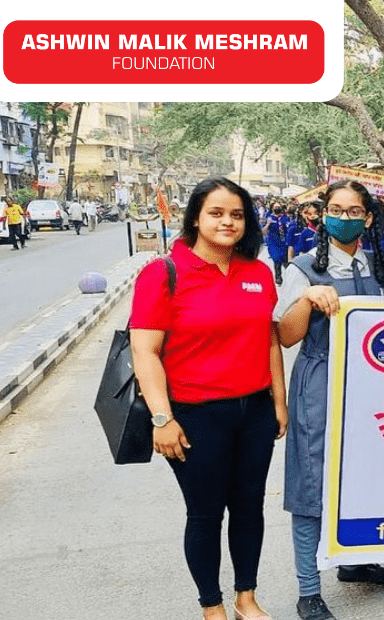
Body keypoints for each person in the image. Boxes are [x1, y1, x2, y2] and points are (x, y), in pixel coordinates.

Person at [129, 177, 287, 620]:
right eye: (216, 213)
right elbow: (145, 351)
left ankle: (246, 599)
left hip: (254, 410)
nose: (227, 222)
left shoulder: (256, 271)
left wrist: (279, 402)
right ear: (196, 217)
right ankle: (211, 606)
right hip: (195, 416)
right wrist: (162, 419)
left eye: (237, 214)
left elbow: (270, 341)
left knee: (249, 509)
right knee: (205, 515)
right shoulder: (164, 273)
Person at [274, 181, 384, 620]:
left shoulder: (375, 265)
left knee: (363, 475)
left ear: (368, 218)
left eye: (353, 212)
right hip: (321, 380)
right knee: (312, 481)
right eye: (335, 209)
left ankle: (354, 561)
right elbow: (286, 336)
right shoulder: (304, 267)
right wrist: (307, 300)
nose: (342, 218)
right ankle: (309, 589)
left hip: (369, 385)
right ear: (321, 213)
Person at [264, 203, 290, 284]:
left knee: (286, 260)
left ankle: (291, 276)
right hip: (274, 242)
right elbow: (263, 231)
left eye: (278, 207)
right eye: (275, 207)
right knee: (276, 259)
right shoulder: (270, 218)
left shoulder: (285, 217)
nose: (277, 208)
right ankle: (278, 277)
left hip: (284, 241)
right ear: (272, 208)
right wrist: (268, 224)